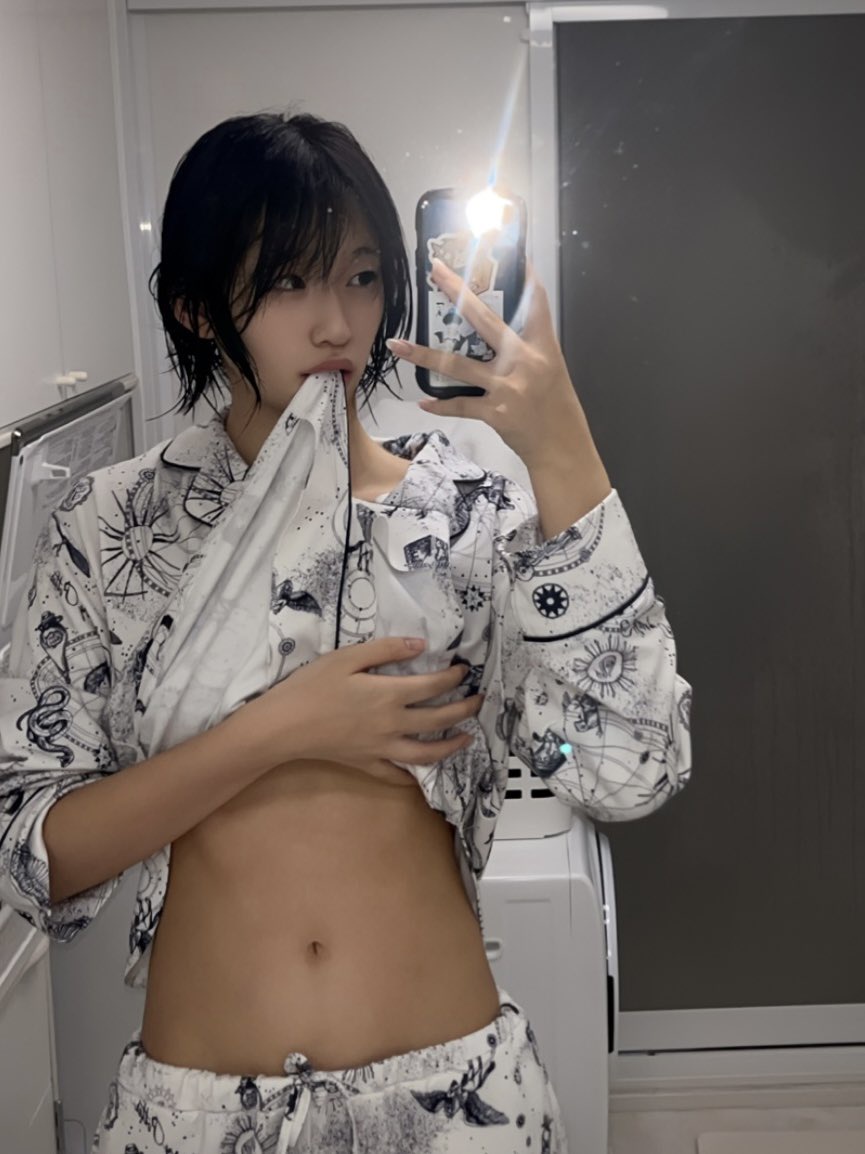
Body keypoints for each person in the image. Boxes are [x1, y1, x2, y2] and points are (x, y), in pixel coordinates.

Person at [0, 110, 693, 1153]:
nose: (336, 322)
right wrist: (282, 729)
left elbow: (624, 768)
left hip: (455, 1101)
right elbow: (34, 858)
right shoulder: (110, 527)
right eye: (288, 282)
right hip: (196, 1116)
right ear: (195, 307)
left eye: (362, 277)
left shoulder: (466, 512)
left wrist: (562, 450)